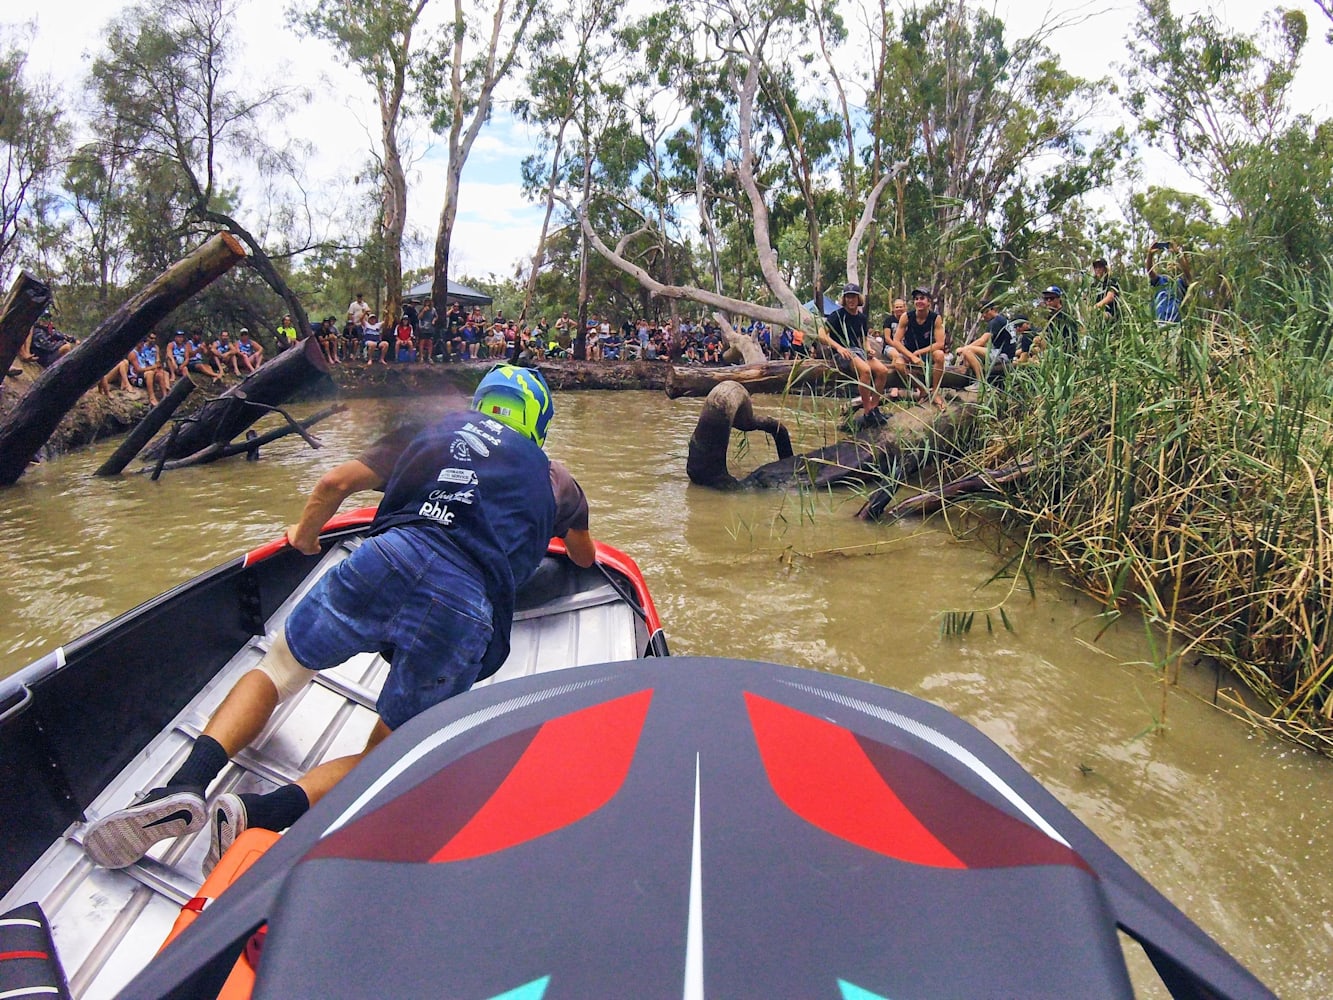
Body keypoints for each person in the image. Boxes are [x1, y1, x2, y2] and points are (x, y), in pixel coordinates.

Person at [84, 365, 596, 873]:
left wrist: (306, 536)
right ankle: (258, 814)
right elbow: (583, 558)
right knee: (388, 752)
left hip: (388, 556)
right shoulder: (557, 479)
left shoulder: (436, 429)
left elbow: (334, 482)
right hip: (464, 608)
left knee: (280, 669)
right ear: (540, 425)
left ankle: (184, 784)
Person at [814, 282, 888, 422]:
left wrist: (869, 349)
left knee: (883, 370)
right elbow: (822, 335)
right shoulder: (837, 315)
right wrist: (839, 348)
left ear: (858, 298)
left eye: (853, 296)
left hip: (858, 352)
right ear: (844, 299)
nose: (850, 300)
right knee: (865, 370)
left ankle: (874, 406)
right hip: (841, 354)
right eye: (848, 297)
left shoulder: (861, 318)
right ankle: (867, 411)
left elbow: (864, 338)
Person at [887, 287, 948, 409]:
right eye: (916, 299)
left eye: (922, 298)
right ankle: (923, 390)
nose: (919, 301)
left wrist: (919, 353)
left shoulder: (935, 318)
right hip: (909, 353)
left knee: (940, 355)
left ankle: (935, 392)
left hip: (926, 353)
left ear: (929, 302)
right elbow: (896, 341)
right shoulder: (906, 317)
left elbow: (940, 343)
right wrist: (911, 356)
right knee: (898, 364)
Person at [957, 300, 1013, 382]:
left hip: (1002, 355)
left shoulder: (995, 322)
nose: (984, 315)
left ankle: (980, 382)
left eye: (986, 311)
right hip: (1006, 354)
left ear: (993, 309)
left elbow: (982, 341)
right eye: (982, 312)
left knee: (967, 351)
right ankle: (967, 378)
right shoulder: (1003, 319)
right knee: (969, 354)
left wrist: (962, 349)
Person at [1147, 241, 1192, 324]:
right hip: (1160, 320)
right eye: (1168, 264)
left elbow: (1188, 275)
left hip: (1175, 321)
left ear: (1178, 268)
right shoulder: (1160, 280)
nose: (1171, 266)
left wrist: (1178, 254)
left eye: (1174, 264)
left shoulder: (1181, 282)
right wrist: (1150, 255)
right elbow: (1150, 272)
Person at [1032, 286, 1080, 354]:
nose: (1048, 301)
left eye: (1051, 298)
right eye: (1046, 298)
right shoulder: (1050, 316)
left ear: (1058, 299)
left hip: (1065, 353)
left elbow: (1072, 337)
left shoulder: (1065, 316)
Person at [127, 335, 170, 405]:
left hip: (144, 375)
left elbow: (146, 364)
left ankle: (165, 395)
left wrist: (155, 368)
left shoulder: (143, 352)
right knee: (150, 373)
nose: (142, 344)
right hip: (136, 378)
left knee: (159, 373)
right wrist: (152, 367)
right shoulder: (133, 354)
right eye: (140, 342)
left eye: (143, 342)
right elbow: (138, 370)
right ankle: (152, 397)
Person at [1090, 257, 1121, 324]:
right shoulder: (1093, 285)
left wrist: (1094, 307)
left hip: (1109, 314)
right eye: (1096, 267)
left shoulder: (1111, 281)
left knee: (1099, 316)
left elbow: (1110, 297)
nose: (1098, 269)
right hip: (1094, 313)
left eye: (1100, 267)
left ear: (1105, 268)